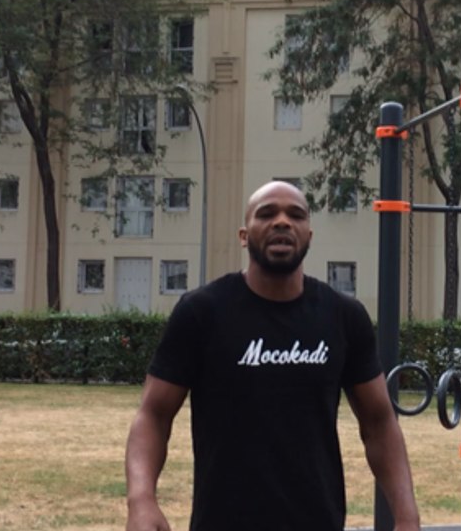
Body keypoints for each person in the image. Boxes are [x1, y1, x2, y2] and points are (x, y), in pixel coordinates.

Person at [125, 181, 420, 531]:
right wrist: (141, 500)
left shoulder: (343, 316)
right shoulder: (202, 312)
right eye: (267, 214)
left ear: (309, 234)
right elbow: (154, 415)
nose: (282, 222)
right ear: (244, 235)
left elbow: (379, 423)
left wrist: (406, 516)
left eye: (295, 215)